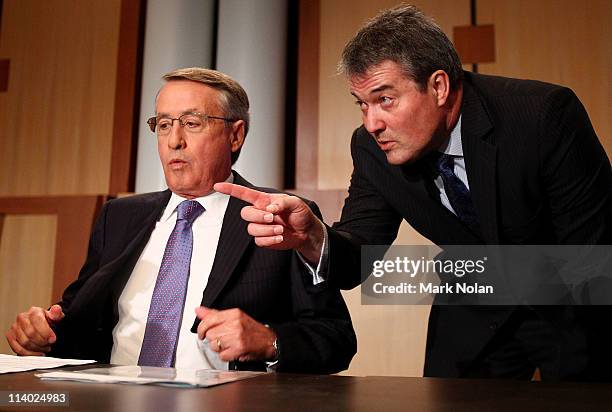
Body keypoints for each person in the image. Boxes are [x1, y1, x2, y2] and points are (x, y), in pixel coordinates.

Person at [215, 5, 612, 380]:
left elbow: (590, 258)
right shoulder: (371, 148)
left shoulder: (543, 116)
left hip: (574, 309)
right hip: (471, 314)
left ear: (438, 86)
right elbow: (359, 257)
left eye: (385, 100)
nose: (372, 123)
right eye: (362, 105)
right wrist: (314, 237)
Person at [5, 67, 356, 374]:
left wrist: (270, 341)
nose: (174, 141)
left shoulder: (278, 216)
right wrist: (43, 334)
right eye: (163, 125)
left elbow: (336, 338)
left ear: (235, 135)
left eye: (191, 123)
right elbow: (79, 320)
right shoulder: (120, 216)